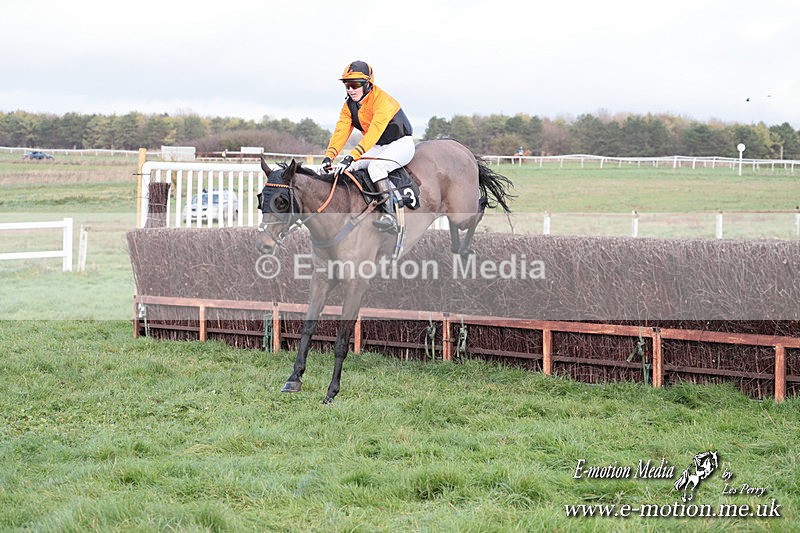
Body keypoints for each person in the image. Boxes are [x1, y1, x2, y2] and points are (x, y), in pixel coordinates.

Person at [321, 60, 414, 234]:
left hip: (401, 143)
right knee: (351, 167)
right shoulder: (349, 105)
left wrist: (351, 155)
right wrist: (329, 157)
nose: (350, 89)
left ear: (368, 84)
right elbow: (341, 131)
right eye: (347, 85)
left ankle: (389, 215)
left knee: (376, 168)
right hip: (380, 146)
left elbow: (374, 133)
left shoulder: (382, 101)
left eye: (355, 84)